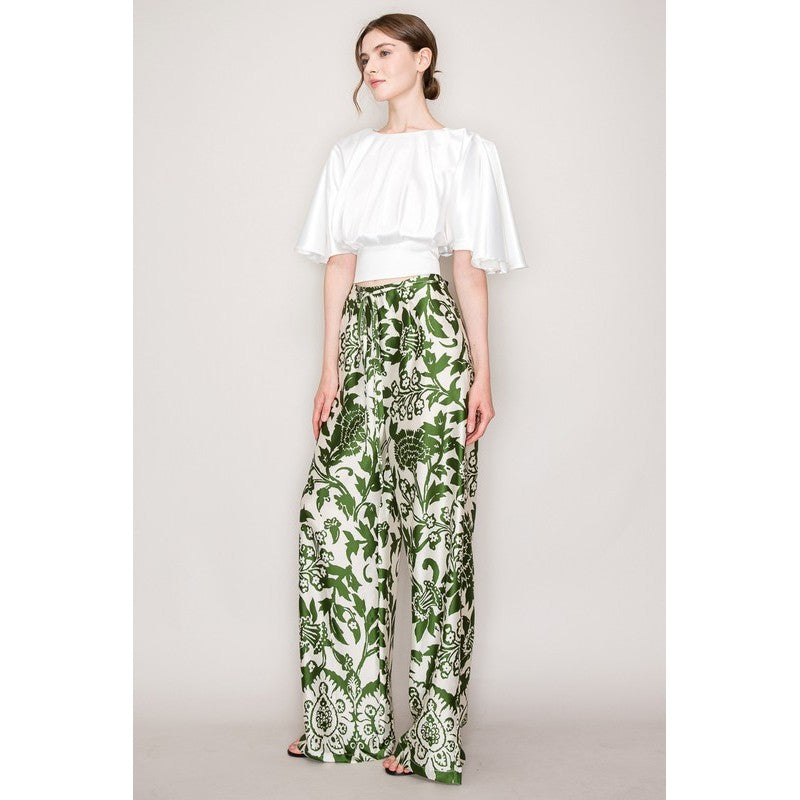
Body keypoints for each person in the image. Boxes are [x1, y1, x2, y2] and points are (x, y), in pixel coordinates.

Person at [285, 12, 529, 785]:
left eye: (385, 52)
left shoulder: (464, 151)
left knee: (435, 530)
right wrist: (329, 370)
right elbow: (337, 264)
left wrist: (482, 373)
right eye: (363, 57)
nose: (371, 66)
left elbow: (468, 269)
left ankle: (431, 737)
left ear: (424, 58)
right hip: (362, 335)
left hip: (429, 332)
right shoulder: (349, 155)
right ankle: (345, 720)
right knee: (333, 517)